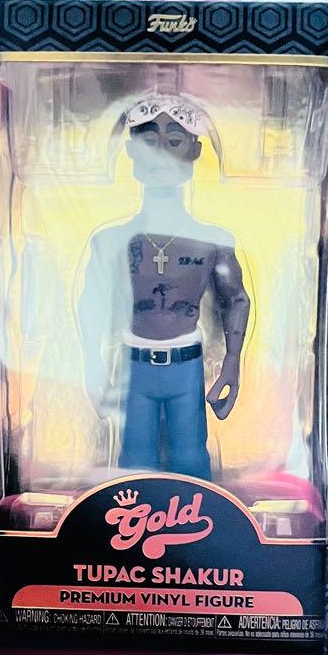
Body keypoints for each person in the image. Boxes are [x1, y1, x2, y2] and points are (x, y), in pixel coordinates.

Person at [77, 94, 249, 480]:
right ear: (131, 151)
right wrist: (91, 365)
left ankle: (197, 516)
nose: (161, 153)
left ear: (195, 151)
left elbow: (236, 299)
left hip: (187, 367)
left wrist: (232, 362)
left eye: (174, 140)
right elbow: (91, 304)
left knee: (191, 460)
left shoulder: (213, 241)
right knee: (135, 462)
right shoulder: (110, 241)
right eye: (148, 139)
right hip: (134, 366)